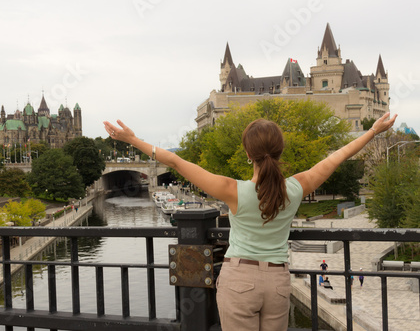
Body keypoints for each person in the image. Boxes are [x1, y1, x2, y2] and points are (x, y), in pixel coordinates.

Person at [103, 112, 396, 331]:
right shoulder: (295, 189)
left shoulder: (234, 191)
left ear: (247, 154)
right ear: (279, 151)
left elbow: (176, 162)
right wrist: (372, 131)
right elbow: (337, 157)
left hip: (240, 278)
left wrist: (132, 139)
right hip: (279, 282)